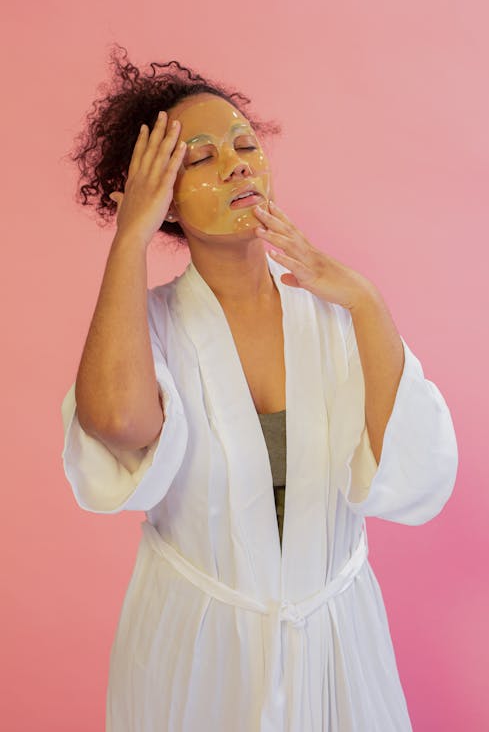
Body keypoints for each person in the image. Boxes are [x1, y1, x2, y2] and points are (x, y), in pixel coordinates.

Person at [61, 45, 459, 731]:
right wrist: (128, 241)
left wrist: (367, 302)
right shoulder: (147, 326)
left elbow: (415, 469)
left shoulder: (333, 311)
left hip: (336, 642)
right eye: (202, 157)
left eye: (245, 144)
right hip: (196, 652)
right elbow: (118, 424)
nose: (238, 161)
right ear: (163, 200)